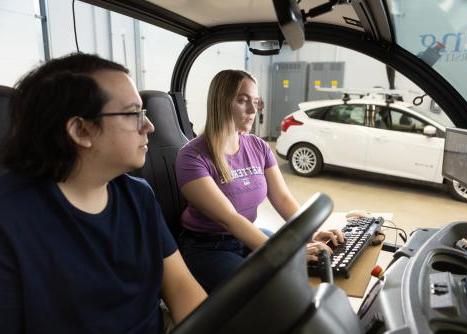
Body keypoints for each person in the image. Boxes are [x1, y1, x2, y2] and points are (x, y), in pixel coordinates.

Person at [0, 53, 206, 333]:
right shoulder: (10, 219)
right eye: (134, 113)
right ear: (81, 130)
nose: (149, 126)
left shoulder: (139, 196)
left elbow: (182, 290)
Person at [175, 69, 344, 292]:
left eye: (255, 101)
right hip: (208, 247)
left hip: (247, 236)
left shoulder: (258, 146)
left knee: (300, 270)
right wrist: (283, 252)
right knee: (263, 292)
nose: (253, 110)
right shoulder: (192, 157)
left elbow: (282, 199)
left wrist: (309, 232)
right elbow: (230, 219)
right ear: (221, 102)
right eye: (243, 101)